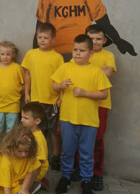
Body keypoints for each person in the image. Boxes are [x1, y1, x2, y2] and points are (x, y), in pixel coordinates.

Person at [52, 34, 111, 194]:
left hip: (89, 121)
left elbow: (103, 94)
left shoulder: (96, 72)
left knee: (86, 152)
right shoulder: (65, 68)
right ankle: (65, 177)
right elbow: (54, 86)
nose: (77, 53)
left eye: (82, 50)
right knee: (67, 151)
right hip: (67, 119)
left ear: (91, 53)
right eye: (75, 49)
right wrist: (60, 85)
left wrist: (85, 93)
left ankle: (86, 180)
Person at [21, 22, 64, 171]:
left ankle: (56, 157)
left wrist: (60, 98)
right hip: (35, 100)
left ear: (53, 40)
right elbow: (28, 74)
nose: (42, 40)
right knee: (34, 130)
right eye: (39, 37)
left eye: (46, 37)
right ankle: (34, 154)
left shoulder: (58, 58)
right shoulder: (31, 54)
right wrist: (27, 93)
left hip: (52, 101)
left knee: (53, 131)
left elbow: (61, 80)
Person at [85, 24, 116, 191]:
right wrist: (98, 71)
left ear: (104, 40)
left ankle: (96, 173)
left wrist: (86, 72)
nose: (95, 42)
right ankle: (80, 170)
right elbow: (72, 72)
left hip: (101, 104)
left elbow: (108, 72)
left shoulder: (108, 55)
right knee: (79, 138)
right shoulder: (81, 53)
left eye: (98, 39)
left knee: (97, 140)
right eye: (91, 39)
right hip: (81, 103)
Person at [0, 41, 25, 143]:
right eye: (2, 54)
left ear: (13, 55)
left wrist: (18, 94)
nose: (5, 57)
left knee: (12, 130)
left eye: (8, 54)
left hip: (13, 105)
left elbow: (24, 84)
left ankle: (9, 150)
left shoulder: (17, 68)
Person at [0, 126, 40, 194]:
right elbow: (6, 188)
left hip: (17, 185)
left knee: (37, 165)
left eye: (27, 151)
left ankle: (29, 187)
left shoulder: (29, 156)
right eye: (20, 151)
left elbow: (30, 172)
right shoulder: (6, 161)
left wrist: (24, 188)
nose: (24, 154)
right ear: (11, 147)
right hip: (4, 189)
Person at [21, 102, 49, 193]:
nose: (22, 120)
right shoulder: (27, 130)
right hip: (28, 162)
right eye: (22, 117)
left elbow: (38, 164)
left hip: (36, 170)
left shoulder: (39, 139)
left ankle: (33, 185)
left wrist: (31, 180)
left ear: (37, 121)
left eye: (26, 118)